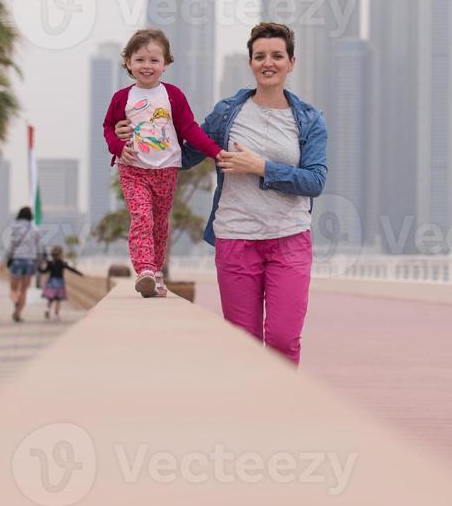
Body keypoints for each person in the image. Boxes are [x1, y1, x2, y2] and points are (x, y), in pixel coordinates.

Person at [167, 22, 328, 366]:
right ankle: (253, 415)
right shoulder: (228, 113)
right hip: (236, 238)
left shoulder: (310, 120)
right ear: (251, 62)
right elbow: (185, 155)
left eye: (277, 56)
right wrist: (139, 137)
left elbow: (315, 181)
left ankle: (281, 410)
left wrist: (262, 167)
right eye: (260, 56)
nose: (268, 62)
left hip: (289, 238)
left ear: (291, 62)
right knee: (244, 344)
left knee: (284, 339)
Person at [102, 28, 222, 298]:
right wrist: (118, 147)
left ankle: (156, 274)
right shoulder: (122, 98)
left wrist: (214, 151)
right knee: (142, 217)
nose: (147, 66)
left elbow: (190, 129)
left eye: (154, 60)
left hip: (166, 170)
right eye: (140, 59)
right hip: (133, 169)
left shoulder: (173, 96)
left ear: (166, 64)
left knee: (159, 223)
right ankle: (144, 270)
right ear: (128, 63)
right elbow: (109, 127)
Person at [3, 207, 43, 323]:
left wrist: (4, 260)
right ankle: (18, 312)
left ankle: (16, 302)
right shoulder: (34, 229)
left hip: (17, 261)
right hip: (30, 262)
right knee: (24, 291)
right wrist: (40, 262)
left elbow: (12, 246)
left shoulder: (14, 228)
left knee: (13, 290)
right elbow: (39, 248)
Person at [40, 246, 83, 319]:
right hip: (59, 283)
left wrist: (38, 268)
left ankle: (47, 310)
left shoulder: (50, 263)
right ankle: (56, 314)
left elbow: (44, 271)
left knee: (50, 298)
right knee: (58, 299)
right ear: (60, 254)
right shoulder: (62, 263)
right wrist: (80, 274)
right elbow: (71, 269)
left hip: (51, 282)